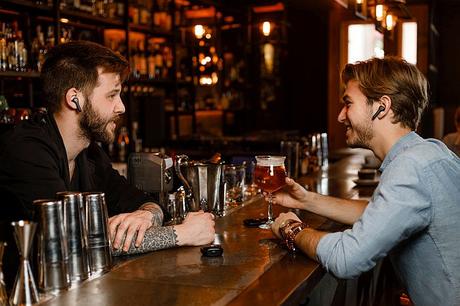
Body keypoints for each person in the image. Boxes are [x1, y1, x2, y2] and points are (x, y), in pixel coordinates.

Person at [270, 57, 460, 305]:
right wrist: (307, 200)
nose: (340, 116)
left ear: (382, 106)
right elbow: (380, 214)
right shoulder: (430, 151)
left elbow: (347, 258)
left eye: (348, 104)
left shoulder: (410, 167)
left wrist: (292, 230)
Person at [0, 41, 215, 257]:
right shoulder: (26, 150)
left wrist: (147, 215)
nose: (121, 107)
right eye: (112, 95)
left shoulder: (88, 151)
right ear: (75, 99)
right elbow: (72, 242)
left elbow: (141, 200)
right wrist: (181, 235)